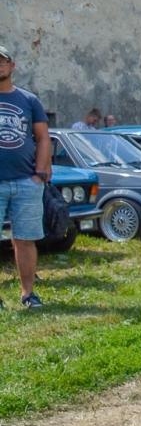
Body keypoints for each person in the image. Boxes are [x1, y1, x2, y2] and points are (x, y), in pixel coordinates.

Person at [0, 43, 51, 310]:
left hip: (25, 181)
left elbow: (43, 138)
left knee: (25, 239)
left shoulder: (29, 100)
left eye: (2, 61)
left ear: (12, 66)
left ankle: (28, 294)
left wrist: (40, 172)